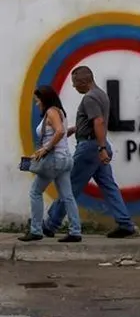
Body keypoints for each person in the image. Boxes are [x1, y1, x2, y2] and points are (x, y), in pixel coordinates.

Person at [43, 66, 137, 238]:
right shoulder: (101, 95)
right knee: (109, 186)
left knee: (70, 185)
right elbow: (94, 121)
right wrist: (76, 128)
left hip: (90, 149)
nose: (74, 86)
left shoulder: (89, 98)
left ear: (84, 81)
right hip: (97, 146)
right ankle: (125, 223)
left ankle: (51, 224)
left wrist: (101, 148)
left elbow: (99, 122)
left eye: (75, 83)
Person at [19, 86, 82, 242]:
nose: (37, 104)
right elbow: (60, 133)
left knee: (35, 192)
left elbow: (59, 131)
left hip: (54, 160)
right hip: (65, 159)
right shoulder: (60, 112)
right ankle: (75, 231)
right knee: (67, 196)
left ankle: (36, 230)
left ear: (45, 99)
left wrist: (46, 148)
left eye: (38, 100)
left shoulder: (51, 112)